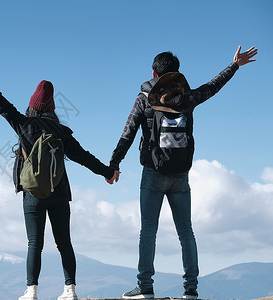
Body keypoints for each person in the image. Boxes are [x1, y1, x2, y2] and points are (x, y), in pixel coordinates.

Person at [107, 46, 258, 299]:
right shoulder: (187, 97)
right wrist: (234, 66)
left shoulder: (144, 98)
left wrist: (113, 164)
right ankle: (191, 290)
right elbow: (213, 86)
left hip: (153, 173)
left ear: (153, 72)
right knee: (186, 232)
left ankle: (145, 288)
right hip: (181, 174)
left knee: (148, 231)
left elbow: (128, 133)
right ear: (176, 74)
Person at [0, 78, 114, 300]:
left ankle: (31, 291)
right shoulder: (61, 132)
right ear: (52, 108)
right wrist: (107, 173)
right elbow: (83, 157)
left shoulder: (24, 125)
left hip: (32, 194)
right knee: (64, 243)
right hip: (59, 192)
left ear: (32, 106)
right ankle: (70, 289)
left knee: (35, 243)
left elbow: (4, 107)